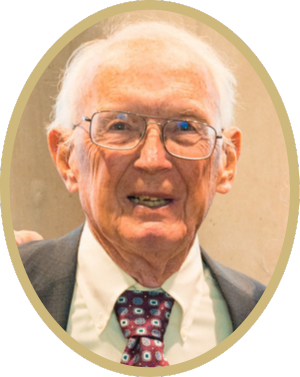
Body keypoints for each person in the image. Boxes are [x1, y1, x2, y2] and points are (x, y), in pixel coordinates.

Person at [18, 21, 265, 367]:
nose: (153, 161)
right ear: (66, 157)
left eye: (184, 128)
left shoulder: (255, 307)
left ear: (226, 161)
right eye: (119, 126)